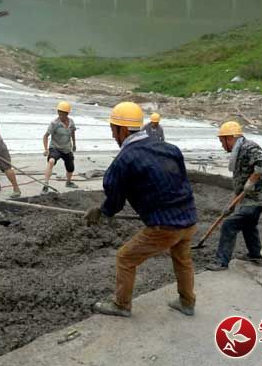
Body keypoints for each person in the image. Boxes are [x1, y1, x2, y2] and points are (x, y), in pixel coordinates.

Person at [84, 102, 197, 317]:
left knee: (125, 258)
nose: (113, 136)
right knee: (182, 259)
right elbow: (180, 181)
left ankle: (121, 305)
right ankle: (187, 302)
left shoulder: (124, 159)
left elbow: (115, 198)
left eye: (113, 130)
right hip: (189, 218)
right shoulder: (170, 149)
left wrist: (102, 211)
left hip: (164, 225)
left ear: (122, 130)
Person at [206, 121, 262, 271]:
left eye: (222, 141)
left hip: (258, 197)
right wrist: (232, 205)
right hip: (253, 196)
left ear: (230, 138)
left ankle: (221, 262)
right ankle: (255, 255)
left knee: (229, 225)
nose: (222, 146)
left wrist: (252, 180)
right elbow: (241, 180)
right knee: (249, 224)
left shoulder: (248, 147)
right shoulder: (239, 150)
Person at [42, 101, 78, 193]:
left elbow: (73, 133)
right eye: (59, 113)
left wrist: (74, 144)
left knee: (70, 167)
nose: (60, 116)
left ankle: (68, 182)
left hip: (67, 148)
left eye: (62, 114)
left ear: (67, 114)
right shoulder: (54, 123)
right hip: (55, 148)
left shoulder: (71, 122)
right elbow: (45, 136)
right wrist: (46, 149)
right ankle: (46, 184)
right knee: (51, 161)